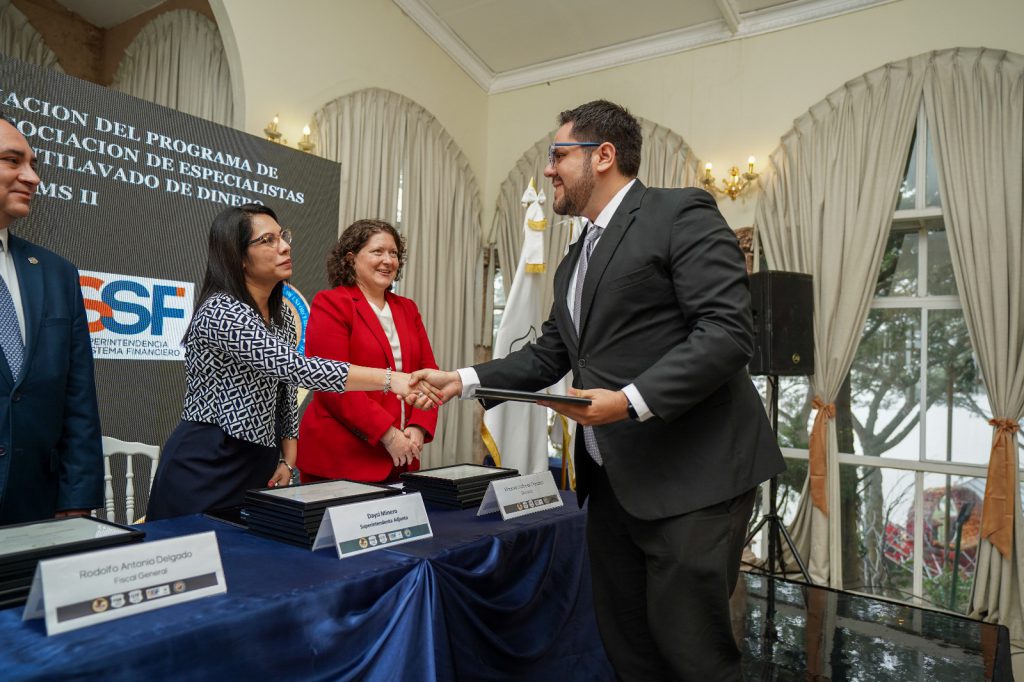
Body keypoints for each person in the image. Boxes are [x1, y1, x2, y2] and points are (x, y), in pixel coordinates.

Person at [412, 100, 785, 680]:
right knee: (627, 647)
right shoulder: (572, 262)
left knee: (693, 656)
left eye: (559, 155)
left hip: (693, 479)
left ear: (603, 155)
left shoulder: (678, 212)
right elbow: (551, 354)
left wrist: (630, 402)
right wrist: (462, 380)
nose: (548, 170)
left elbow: (726, 332)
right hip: (611, 485)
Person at [146, 204, 437, 521]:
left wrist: (287, 458)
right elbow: (296, 368)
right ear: (239, 256)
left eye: (282, 236)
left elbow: (285, 391)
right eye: (268, 240)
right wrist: (389, 378)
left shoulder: (281, 314)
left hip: (257, 461)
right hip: (207, 459)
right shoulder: (222, 310)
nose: (285, 246)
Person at [0, 115, 103, 526]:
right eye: (12, 161)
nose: (33, 178)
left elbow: (79, 398)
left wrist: (77, 497)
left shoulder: (56, 273)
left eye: (33, 164)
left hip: (37, 508)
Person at [297, 220, 438, 484]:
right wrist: (388, 434)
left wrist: (418, 427)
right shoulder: (332, 303)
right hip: (342, 459)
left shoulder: (408, 309)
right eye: (377, 252)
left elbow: (429, 376)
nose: (388, 260)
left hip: (403, 456)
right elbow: (331, 382)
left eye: (394, 253)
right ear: (351, 259)